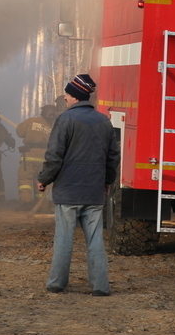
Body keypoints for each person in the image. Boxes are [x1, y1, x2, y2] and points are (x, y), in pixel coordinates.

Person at [37, 74, 120, 296]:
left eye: (66, 93)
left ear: (74, 96)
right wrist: (107, 182)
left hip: (69, 193)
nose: (64, 97)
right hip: (93, 192)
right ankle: (101, 286)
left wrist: (44, 179)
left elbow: (54, 155)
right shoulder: (104, 121)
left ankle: (57, 283)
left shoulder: (65, 120)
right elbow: (113, 157)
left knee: (64, 239)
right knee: (95, 241)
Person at [16, 104, 57, 206]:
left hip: (30, 156)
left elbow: (19, 132)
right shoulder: (53, 128)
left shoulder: (31, 121)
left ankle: (26, 203)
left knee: (25, 179)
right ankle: (42, 205)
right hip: (44, 159)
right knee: (41, 182)